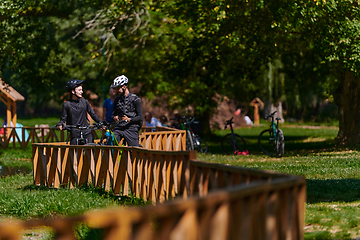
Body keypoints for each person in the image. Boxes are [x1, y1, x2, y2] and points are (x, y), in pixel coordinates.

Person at [56, 79, 103, 145]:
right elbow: (63, 119)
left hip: (87, 131)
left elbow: (92, 114)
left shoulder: (85, 102)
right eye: (79, 90)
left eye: (82, 90)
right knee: (75, 153)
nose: (82, 92)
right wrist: (60, 124)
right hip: (75, 133)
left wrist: (100, 122)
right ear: (73, 91)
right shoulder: (67, 104)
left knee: (90, 153)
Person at [111, 75, 143, 147]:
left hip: (131, 128)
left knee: (134, 151)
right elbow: (112, 115)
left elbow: (140, 117)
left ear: (124, 87)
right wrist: (114, 118)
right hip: (119, 127)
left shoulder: (136, 99)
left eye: (118, 88)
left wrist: (129, 119)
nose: (116, 91)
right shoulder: (117, 100)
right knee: (110, 143)